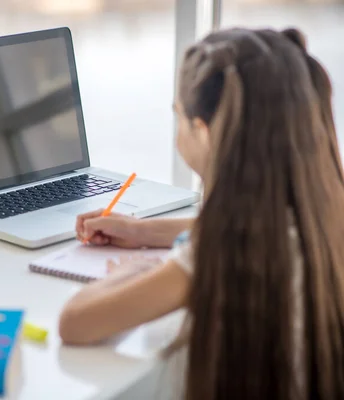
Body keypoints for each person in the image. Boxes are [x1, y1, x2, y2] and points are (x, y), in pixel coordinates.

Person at [59, 27, 344, 399]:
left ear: (203, 131)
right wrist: (141, 231)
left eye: (178, 115)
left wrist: (132, 272)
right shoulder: (322, 210)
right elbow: (265, 221)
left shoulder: (226, 252)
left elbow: (75, 323)